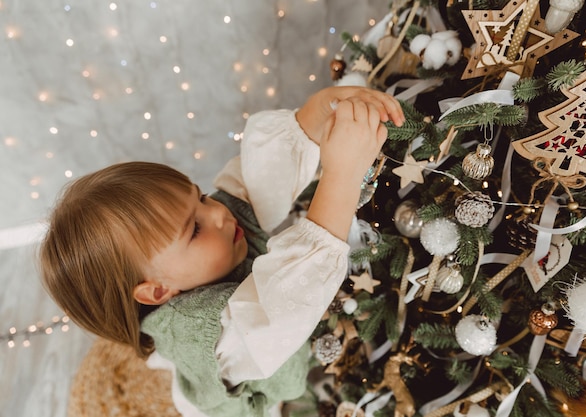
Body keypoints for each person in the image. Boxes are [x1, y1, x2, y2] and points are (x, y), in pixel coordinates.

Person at [40, 86, 404, 417]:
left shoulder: (211, 233)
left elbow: (249, 182)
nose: (217, 213)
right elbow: (284, 304)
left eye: (199, 197)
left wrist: (314, 115)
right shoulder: (211, 333)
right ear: (158, 290)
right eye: (195, 229)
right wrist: (342, 175)